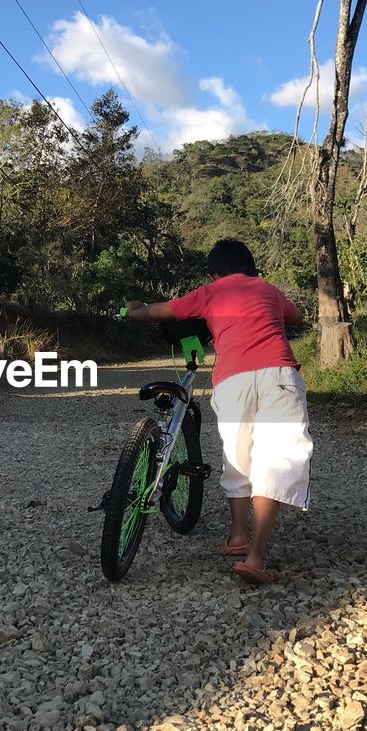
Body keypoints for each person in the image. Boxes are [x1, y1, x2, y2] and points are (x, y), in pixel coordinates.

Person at [124, 239, 313, 585]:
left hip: (232, 381)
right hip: (279, 375)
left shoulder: (210, 292)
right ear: (252, 268)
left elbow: (159, 311)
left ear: (214, 273)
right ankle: (255, 557)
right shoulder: (268, 289)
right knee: (278, 459)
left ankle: (238, 535)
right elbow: (297, 315)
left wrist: (135, 309)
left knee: (237, 457)